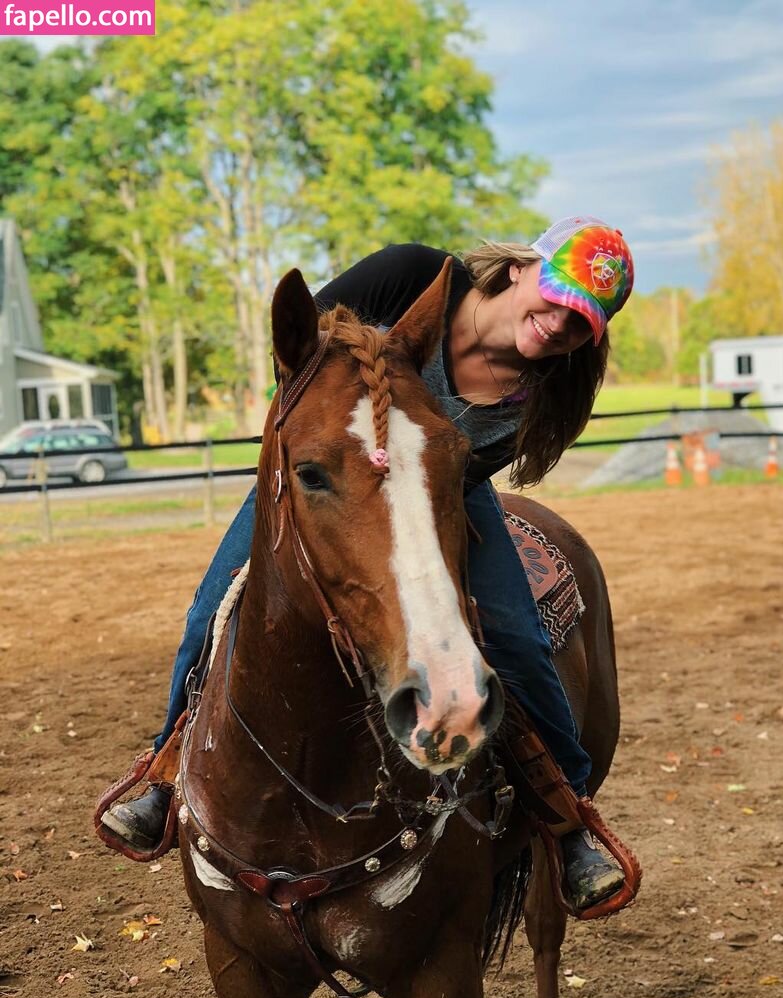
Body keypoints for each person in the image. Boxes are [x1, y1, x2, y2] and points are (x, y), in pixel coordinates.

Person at [103, 216, 634, 910]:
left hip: (442, 490)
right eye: (559, 297)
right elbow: (297, 361)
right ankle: (164, 769)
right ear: (520, 269)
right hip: (334, 471)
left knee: (520, 637)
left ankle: (569, 816)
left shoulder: (547, 388)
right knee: (212, 606)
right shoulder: (408, 275)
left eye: (582, 321)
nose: (561, 323)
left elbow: (467, 471)